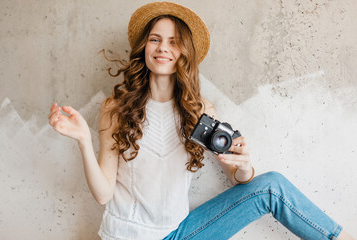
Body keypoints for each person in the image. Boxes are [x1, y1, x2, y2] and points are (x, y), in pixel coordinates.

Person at [48, 2, 354, 240]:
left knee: (271, 186)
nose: (163, 47)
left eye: (173, 41)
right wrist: (84, 140)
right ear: (144, 49)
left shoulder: (199, 109)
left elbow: (237, 176)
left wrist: (244, 167)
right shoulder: (116, 108)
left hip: (181, 233)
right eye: (155, 39)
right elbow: (103, 194)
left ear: (184, 52)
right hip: (128, 235)